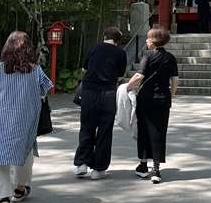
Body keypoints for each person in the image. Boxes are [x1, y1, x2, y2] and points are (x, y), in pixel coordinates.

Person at [0, 31, 52, 203]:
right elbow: (46, 90)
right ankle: (20, 188)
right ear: (28, 48)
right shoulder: (35, 70)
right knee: (25, 151)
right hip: (25, 118)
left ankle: (3, 200)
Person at [125, 26, 178, 184]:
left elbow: (139, 76)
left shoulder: (147, 56)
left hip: (146, 99)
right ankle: (156, 169)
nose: (147, 41)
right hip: (163, 99)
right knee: (159, 132)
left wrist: (126, 87)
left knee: (144, 131)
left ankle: (143, 165)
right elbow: (175, 80)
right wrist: (171, 95)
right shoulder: (170, 58)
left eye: (148, 38)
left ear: (153, 41)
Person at [74, 26, 127, 180]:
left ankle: (82, 163)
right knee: (105, 131)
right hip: (108, 94)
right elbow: (120, 74)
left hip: (89, 92)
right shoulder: (120, 53)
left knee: (86, 127)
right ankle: (98, 169)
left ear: (104, 36)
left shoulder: (93, 48)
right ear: (117, 40)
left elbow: (84, 69)